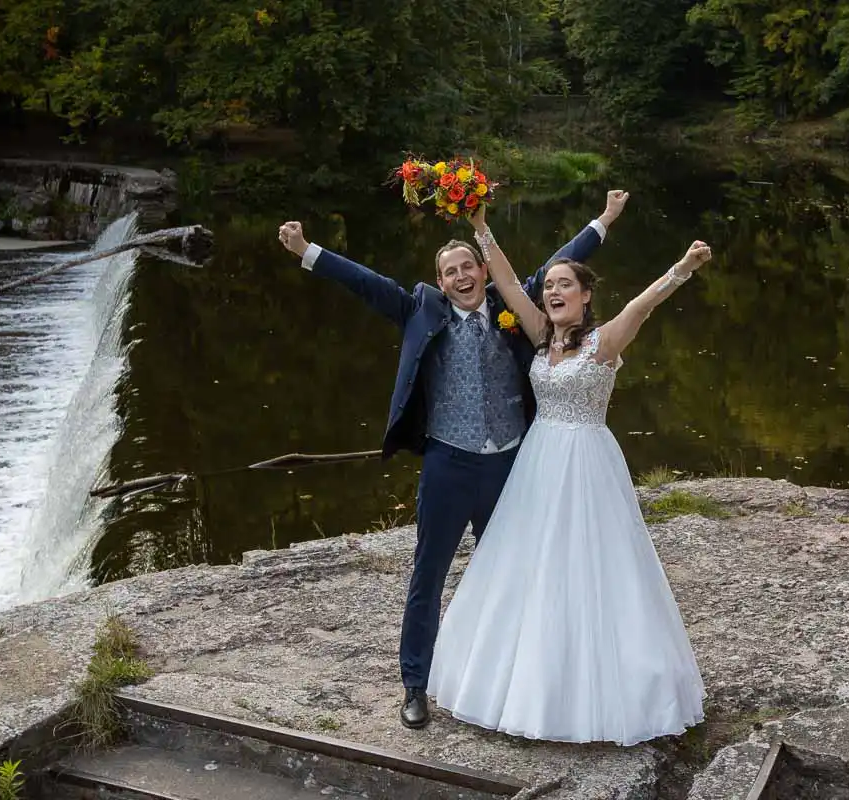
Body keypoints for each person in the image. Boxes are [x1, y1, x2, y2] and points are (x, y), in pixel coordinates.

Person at [276, 191, 629, 729]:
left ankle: (506, 682)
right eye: (450, 272)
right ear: (439, 282)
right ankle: (415, 685)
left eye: (468, 267)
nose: (461, 277)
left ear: (484, 270)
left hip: (510, 468)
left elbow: (566, 261)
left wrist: (603, 220)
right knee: (429, 574)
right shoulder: (421, 308)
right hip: (449, 464)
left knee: (514, 577)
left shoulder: (516, 306)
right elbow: (365, 282)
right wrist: (307, 250)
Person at [425, 205, 709, 745]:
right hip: (537, 464)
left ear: (584, 295)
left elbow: (644, 304)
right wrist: (482, 227)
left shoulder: (603, 343)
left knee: (592, 570)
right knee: (526, 568)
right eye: (549, 284)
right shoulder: (538, 335)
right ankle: (517, 683)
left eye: (563, 284)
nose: (553, 291)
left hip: (586, 464)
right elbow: (505, 281)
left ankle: (599, 692)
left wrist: (684, 267)